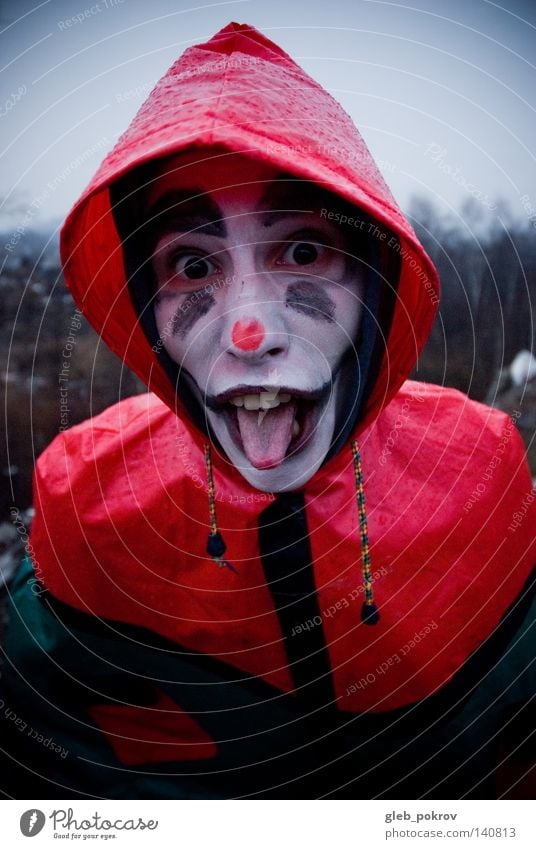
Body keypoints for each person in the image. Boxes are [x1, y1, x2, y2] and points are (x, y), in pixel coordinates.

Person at [1, 21, 534, 800]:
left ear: (377, 279)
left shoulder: (477, 462)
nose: (251, 334)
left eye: (305, 250)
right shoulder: (89, 494)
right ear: (146, 307)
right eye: (192, 264)